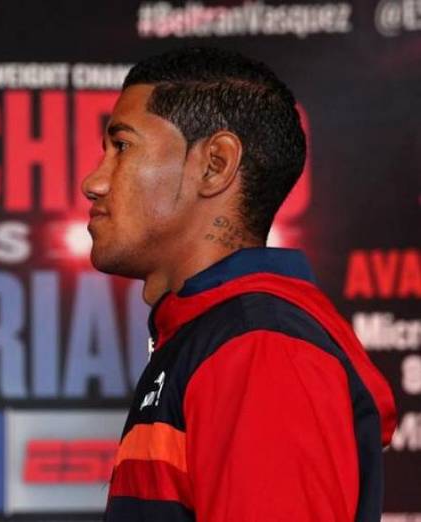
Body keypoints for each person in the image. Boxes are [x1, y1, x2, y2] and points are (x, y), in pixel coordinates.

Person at [83, 47, 397, 522]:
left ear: (215, 164)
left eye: (122, 146)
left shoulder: (261, 347)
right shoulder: (215, 335)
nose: (94, 182)